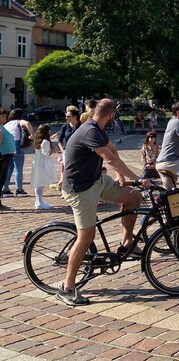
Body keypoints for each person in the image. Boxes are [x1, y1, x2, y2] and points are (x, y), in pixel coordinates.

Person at [58, 99, 147, 306]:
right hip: (80, 189)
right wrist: (138, 178)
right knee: (87, 236)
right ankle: (67, 287)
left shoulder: (97, 129)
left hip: (97, 181)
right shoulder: (89, 131)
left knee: (134, 196)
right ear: (111, 115)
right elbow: (110, 158)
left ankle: (126, 244)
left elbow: (112, 150)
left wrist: (121, 176)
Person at [3, 108, 34, 196]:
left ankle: (5, 189)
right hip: (16, 144)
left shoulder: (7, 124)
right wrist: (32, 134)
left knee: (8, 169)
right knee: (18, 169)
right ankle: (19, 190)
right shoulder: (18, 121)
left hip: (8, 146)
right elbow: (27, 123)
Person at [30, 124, 57, 209]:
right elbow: (46, 154)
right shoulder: (45, 141)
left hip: (38, 163)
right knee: (40, 183)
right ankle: (40, 202)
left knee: (38, 183)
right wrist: (54, 150)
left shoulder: (38, 140)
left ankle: (38, 200)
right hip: (42, 164)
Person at [56, 105, 81, 190]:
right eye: (66, 116)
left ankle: (77, 186)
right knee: (66, 170)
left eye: (68, 116)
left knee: (78, 170)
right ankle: (65, 189)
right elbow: (59, 140)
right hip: (67, 151)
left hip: (79, 152)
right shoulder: (65, 127)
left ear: (75, 116)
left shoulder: (81, 126)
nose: (66, 118)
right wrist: (62, 150)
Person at [0, 109, 15, 207]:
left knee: (2, 178)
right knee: (1, 178)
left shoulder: (2, 127)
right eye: (2, 116)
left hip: (6, 155)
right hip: (2, 155)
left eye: (5, 116)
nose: (5, 117)